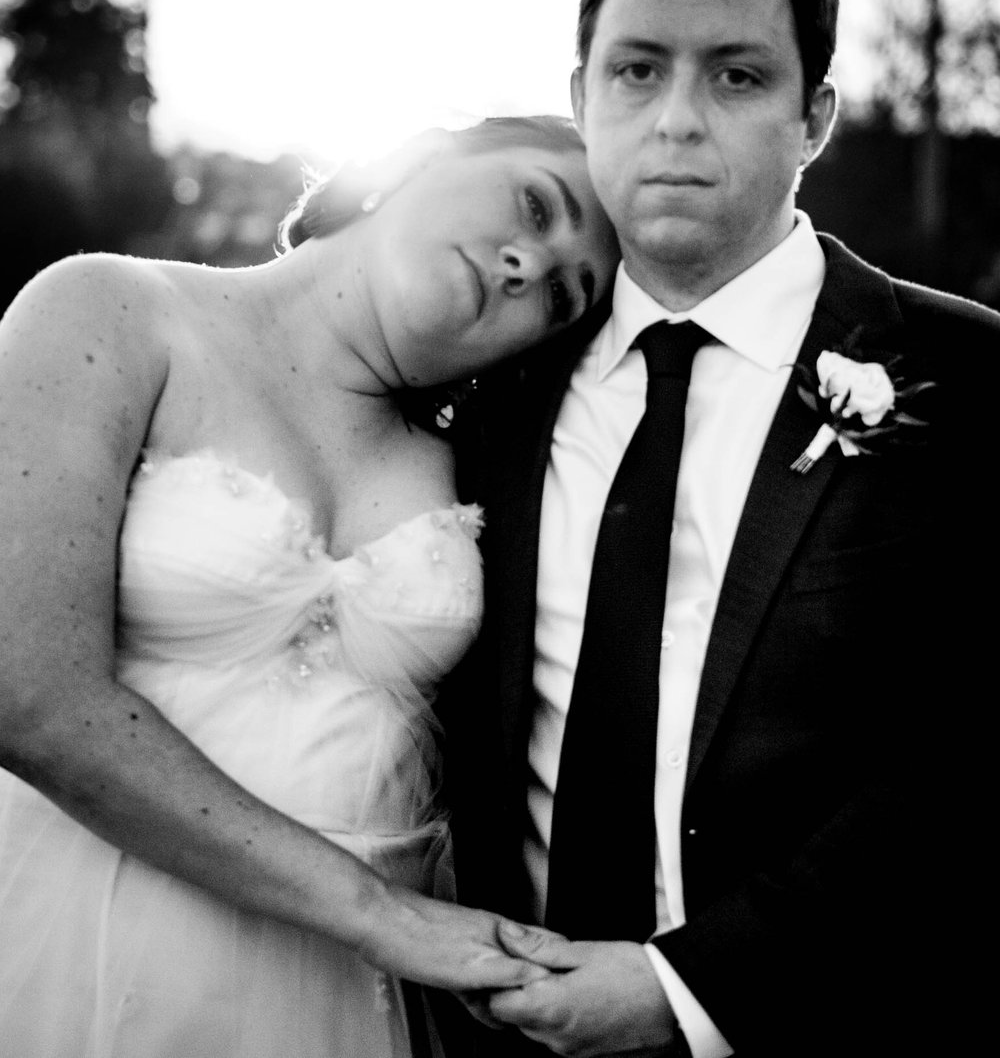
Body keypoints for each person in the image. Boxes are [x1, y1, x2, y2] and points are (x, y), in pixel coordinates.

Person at [440, 0, 997, 1057]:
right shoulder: (483, 376)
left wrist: (690, 992)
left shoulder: (970, 378)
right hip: (492, 1023)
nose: (677, 121)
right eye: (637, 71)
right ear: (584, 94)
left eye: (737, 78)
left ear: (815, 120)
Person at [0, 115, 620, 1058]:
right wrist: (380, 914)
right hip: (79, 932)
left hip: (340, 999)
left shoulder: (488, 468)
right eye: (537, 205)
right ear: (423, 154)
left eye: (568, 294)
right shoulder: (109, 312)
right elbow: (26, 694)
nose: (529, 266)